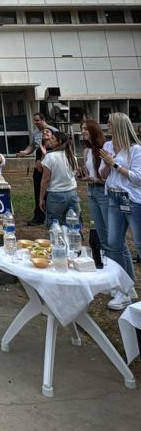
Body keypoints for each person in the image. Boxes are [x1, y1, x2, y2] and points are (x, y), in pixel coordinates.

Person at [100, 112, 141, 310]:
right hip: (114, 198)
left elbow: (137, 178)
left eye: (109, 123)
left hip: (131, 200)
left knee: (139, 245)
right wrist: (108, 164)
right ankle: (122, 290)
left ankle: (129, 289)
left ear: (118, 125)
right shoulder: (108, 146)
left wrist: (114, 163)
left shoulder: (135, 150)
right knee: (113, 244)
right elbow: (102, 174)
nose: (107, 126)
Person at [17, 113, 58, 225]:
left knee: (50, 191)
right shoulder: (36, 133)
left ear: (43, 120)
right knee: (38, 191)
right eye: (34, 121)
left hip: (49, 166)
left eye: (37, 120)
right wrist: (24, 152)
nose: (35, 123)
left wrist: (44, 159)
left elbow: (59, 148)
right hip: (38, 166)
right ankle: (39, 216)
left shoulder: (54, 131)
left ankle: (52, 215)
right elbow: (32, 146)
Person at [79, 119, 110, 256]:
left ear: (94, 130)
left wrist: (95, 179)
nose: (83, 131)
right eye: (82, 129)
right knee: (100, 232)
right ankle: (106, 262)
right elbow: (87, 173)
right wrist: (81, 175)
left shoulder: (104, 149)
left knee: (110, 234)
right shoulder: (86, 151)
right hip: (91, 192)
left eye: (86, 128)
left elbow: (110, 179)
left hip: (103, 192)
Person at [39, 129, 80, 227]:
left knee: (55, 226)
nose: (50, 140)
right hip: (72, 194)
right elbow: (74, 173)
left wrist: (41, 198)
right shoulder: (72, 157)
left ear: (59, 142)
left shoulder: (50, 157)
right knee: (73, 225)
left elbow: (45, 179)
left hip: (56, 195)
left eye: (53, 138)